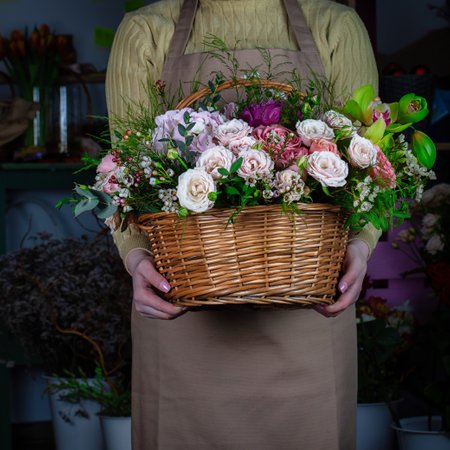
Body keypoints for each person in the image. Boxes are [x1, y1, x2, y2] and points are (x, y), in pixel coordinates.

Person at [105, 0, 382, 448]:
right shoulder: (145, 32)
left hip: (307, 305)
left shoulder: (335, 25)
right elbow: (123, 175)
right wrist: (136, 259)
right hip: (183, 307)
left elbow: (369, 158)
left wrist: (361, 245)